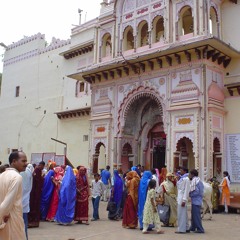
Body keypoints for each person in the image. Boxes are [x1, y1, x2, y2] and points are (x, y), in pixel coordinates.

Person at [0, 151, 27, 240]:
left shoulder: (2, 175)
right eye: (23, 161)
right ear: (14, 161)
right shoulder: (17, 177)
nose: (26, 164)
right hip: (10, 218)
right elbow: (7, 202)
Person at [28, 161, 45, 228]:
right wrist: (42, 178)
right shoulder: (38, 170)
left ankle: (33, 222)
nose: (42, 167)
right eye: (42, 166)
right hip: (35, 192)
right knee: (34, 206)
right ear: (41, 165)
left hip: (35, 192)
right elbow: (38, 181)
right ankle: (32, 222)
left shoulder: (37, 170)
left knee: (34, 205)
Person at [188, 169, 204, 233]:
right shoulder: (199, 181)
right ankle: (193, 227)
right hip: (197, 200)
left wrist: (190, 194)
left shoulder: (195, 181)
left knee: (196, 215)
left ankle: (200, 229)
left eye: (190, 174)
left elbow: (196, 191)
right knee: (194, 215)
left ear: (192, 174)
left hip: (196, 200)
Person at [175, 167, 190, 234]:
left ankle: (181, 229)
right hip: (180, 197)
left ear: (184, 171)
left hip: (182, 199)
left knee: (181, 214)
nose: (180, 171)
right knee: (184, 214)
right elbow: (179, 188)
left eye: (181, 170)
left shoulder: (186, 179)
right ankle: (186, 227)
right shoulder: (182, 178)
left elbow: (186, 190)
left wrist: (184, 200)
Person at [20, 164, 33, 240]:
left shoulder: (16, 174)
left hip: (16, 204)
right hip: (25, 201)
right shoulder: (29, 172)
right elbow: (30, 186)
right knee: (24, 224)